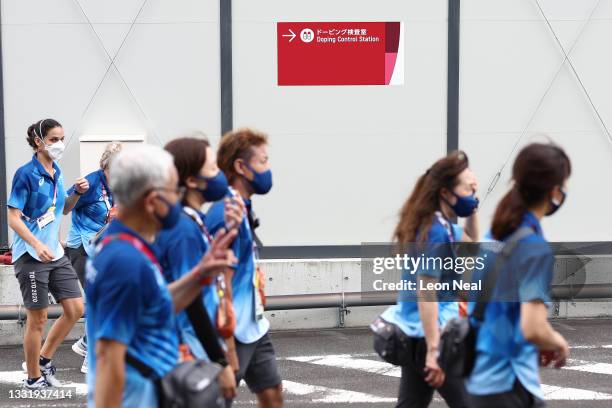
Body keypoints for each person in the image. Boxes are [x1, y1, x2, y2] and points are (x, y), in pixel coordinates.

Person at [85, 145, 237, 407]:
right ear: (152, 201)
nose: (179, 198)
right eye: (173, 190)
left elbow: (155, 304)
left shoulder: (129, 245)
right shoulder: (124, 261)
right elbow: (109, 356)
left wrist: (200, 274)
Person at [466, 143, 572, 408]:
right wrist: (559, 342)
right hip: (510, 384)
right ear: (554, 191)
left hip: (480, 379)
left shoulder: (495, 236)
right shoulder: (534, 248)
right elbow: (532, 326)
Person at [379, 151, 478, 408]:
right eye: (468, 188)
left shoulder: (439, 225)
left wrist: (472, 208)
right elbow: (427, 294)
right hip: (433, 337)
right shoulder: (435, 233)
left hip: (418, 335)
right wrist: (434, 351)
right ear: (446, 193)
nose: (472, 193)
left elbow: (472, 248)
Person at [154, 135, 244, 401]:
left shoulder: (193, 221)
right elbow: (192, 299)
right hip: (188, 351)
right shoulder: (183, 229)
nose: (220, 176)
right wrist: (222, 361)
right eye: (214, 169)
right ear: (192, 181)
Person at [7, 119, 88, 389]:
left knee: (75, 309)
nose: (59, 144)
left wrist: (76, 193)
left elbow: (63, 209)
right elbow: (13, 217)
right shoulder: (25, 174)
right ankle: (33, 378)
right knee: (38, 318)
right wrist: (36, 243)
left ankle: (43, 361)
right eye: (53, 139)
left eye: (61, 138)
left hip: (55, 253)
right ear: (38, 141)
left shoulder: (57, 171)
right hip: (31, 255)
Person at [206, 128, 283, 408]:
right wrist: (225, 347)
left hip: (254, 323)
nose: (268, 169)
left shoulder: (242, 207)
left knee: (272, 392)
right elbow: (216, 283)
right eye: (263, 161)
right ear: (241, 167)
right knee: (219, 399)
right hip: (231, 330)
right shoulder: (225, 214)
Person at [65, 141, 123, 374]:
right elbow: (64, 209)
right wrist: (77, 192)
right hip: (81, 249)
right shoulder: (91, 183)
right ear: (105, 166)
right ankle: (91, 357)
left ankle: (86, 343)